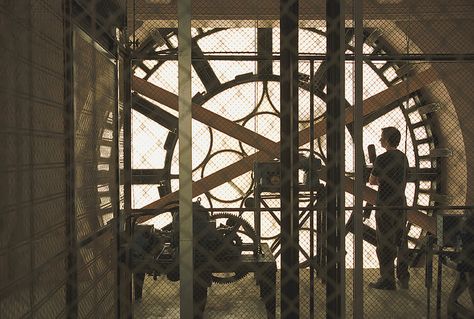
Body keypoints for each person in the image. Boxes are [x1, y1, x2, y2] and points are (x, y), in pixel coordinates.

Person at [368, 126, 410, 290]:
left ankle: (387, 280)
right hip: (400, 204)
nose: (380, 139)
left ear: (386, 140)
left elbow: (372, 180)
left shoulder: (381, 159)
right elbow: (405, 179)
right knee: (401, 241)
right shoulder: (403, 158)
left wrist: (379, 180)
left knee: (385, 243)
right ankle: (403, 277)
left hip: (385, 205)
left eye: (382, 136)